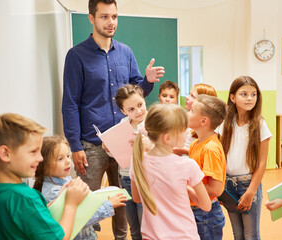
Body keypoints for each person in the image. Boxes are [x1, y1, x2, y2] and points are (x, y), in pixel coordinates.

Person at [62, 0, 164, 238]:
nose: (111, 22)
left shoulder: (126, 52)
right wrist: (75, 146)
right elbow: (69, 104)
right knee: (87, 203)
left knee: (125, 201)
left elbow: (136, 96)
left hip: (126, 140)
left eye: (114, 17)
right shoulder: (76, 56)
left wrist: (147, 81)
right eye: (104, 16)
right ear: (91, 18)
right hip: (91, 146)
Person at [0, 113, 89, 240]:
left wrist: (60, 200)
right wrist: (71, 204)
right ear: (5, 153)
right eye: (33, 152)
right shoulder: (27, 199)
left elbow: (29, 216)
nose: (40, 158)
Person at [130, 104, 211, 239]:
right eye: (183, 129)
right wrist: (186, 188)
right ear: (167, 138)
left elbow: (137, 198)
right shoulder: (187, 165)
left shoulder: (138, 161)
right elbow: (206, 205)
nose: (187, 132)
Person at [33, 135, 127, 240]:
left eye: (68, 156)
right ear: (44, 165)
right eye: (60, 159)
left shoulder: (65, 180)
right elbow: (80, 218)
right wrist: (108, 205)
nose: (68, 161)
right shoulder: (54, 192)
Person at [218, 76, 272, 240]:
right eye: (244, 94)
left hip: (249, 185)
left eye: (253, 94)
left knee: (251, 234)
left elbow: (262, 163)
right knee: (237, 233)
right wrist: (220, 188)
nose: (250, 98)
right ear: (232, 97)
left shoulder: (260, 124)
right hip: (228, 184)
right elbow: (220, 157)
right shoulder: (225, 123)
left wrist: (250, 192)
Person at [113, 84, 150, 240]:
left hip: (145, 178)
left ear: (143, 99)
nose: (138, 111)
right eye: (131, 110)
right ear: (123, 111)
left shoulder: (153, 121)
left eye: (140, 105)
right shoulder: (123, 124)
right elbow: (117, 151)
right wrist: (108, 146)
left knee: (145, 226)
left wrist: (146, 143)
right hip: (126, 177)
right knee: (133, 226)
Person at [188, 94, 227, 240]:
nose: (187, 113)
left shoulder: (210, 148)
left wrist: (185, 187)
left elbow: (216, 189)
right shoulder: (195, 144)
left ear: (204, 121)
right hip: (196, 208)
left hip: (206, 215)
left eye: (192, 110)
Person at [174, 83, 218, 156]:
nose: (187, 97)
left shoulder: (206, 130)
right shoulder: (182, 118)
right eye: (189, 94)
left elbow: (206, 153)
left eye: (192, 96)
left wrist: (184, 151)